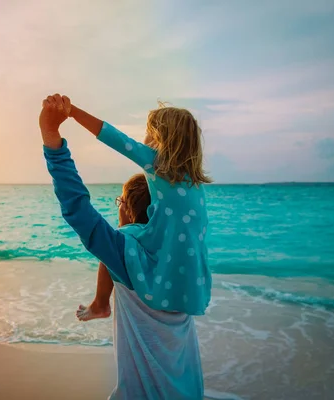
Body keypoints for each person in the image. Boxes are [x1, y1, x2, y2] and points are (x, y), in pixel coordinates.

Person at [39, 94, 206, 398]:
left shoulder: (130, 261)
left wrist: (52, 139)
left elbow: (78, 209)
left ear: (127, 210)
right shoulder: (178, 278)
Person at [62, 95, 213, 319]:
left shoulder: (156, 162)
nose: (144, 139)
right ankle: (102, 304)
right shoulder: (195, 182)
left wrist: (72, 111)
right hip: (190, 280)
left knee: (116, 237)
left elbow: (112, 136)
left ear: (161, 139)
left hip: (159, 258)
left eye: (149, 133)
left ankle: (100, 304)